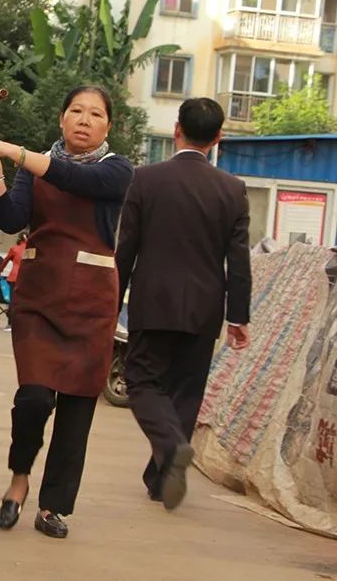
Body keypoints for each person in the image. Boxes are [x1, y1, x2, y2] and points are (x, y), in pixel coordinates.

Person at [0, 85, 133, 539]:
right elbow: (9, 219)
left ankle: (53, 507)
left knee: (78, 408)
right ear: (62, 119)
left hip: (92, 303)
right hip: (39, 299)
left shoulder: (116, 170)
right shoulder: (35, 169)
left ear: (108, 126)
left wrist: (13, 151)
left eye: (95, 114)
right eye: (76, 111)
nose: (84, 119)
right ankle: (19, 477)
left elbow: (74, 180)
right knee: (34, 398)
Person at [115, 98, 251, 511]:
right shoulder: (233, 190)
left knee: (141, 381)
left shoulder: (146, 179)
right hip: (205, 308)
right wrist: (238, 317)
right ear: (218, 138)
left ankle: (171, 449)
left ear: (177, 130)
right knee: (186, 393)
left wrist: (109, 300)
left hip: (153, 303)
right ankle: (160, 480)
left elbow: (127, 249)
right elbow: (238, 261)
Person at [0, 232, 28, 328]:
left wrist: (0, 271)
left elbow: (5, 261)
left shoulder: (14, 249)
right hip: (26, 277)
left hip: (14, 276)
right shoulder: (30, 249)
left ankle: (10, 323)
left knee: (12, 299)